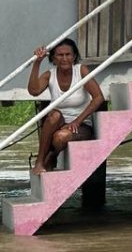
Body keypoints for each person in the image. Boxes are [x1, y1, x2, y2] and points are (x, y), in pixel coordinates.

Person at [27, 38, 105, 175]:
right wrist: (37, 62)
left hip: (80, 125)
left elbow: (98, 97)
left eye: (68, 54)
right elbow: (34, 91)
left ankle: (52, 156)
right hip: (58, 122)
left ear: (74, 56)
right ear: (53, 58)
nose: (64, 59)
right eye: (60, 55)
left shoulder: (80, 71)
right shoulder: (50, 75)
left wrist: (77, 121)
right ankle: (39, 162)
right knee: (54, 116)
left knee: (60, 138)